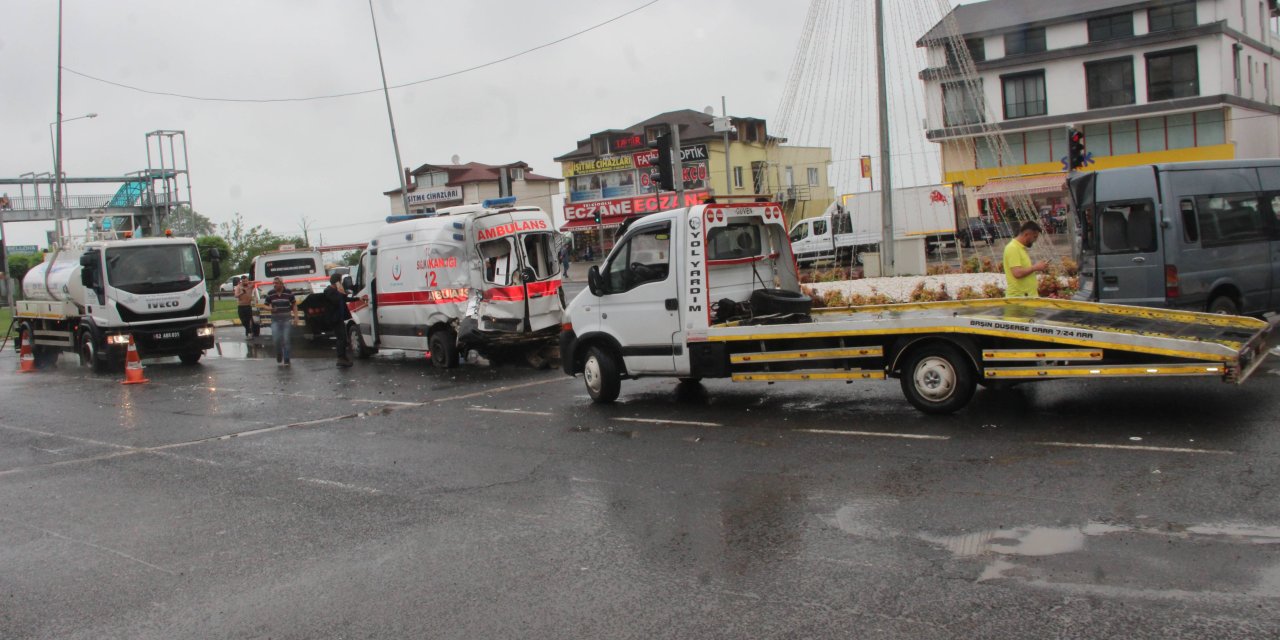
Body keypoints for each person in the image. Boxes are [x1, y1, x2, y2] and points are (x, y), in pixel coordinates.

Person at [1003, 220, 1049, 298]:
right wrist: (1035, 267)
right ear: (1026, 234)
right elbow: (1017, 273)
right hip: (1019, 299)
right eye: (1035, 237)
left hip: (1026, 297)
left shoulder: (1021, 248)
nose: (1035, 240)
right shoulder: (1012, 248)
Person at [323, 273, 360, 367]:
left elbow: (345, 298)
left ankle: (343, 357)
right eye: (340, 281)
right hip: (335, 318)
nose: (342, 283)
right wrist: (341, 290)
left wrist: (358, 298)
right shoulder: (329, 291)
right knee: (341, 338)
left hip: (340, 317)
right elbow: (337, 299)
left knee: (343, 338)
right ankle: (341, 358)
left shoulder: (336, 291)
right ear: (337, 282)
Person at [264, 277, 297, 366]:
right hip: (275, 320)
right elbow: (265, 306)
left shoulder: (289, 292)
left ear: (281, 284)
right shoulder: (271, 293)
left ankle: (286, 358)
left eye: (277, 283)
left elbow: (294, 305)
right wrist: (270, 308)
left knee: (286, 339)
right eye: (274, 283)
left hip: (286, 319)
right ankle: (279, 353)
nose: (275, 285)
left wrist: (296, 317)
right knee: (276, 339)